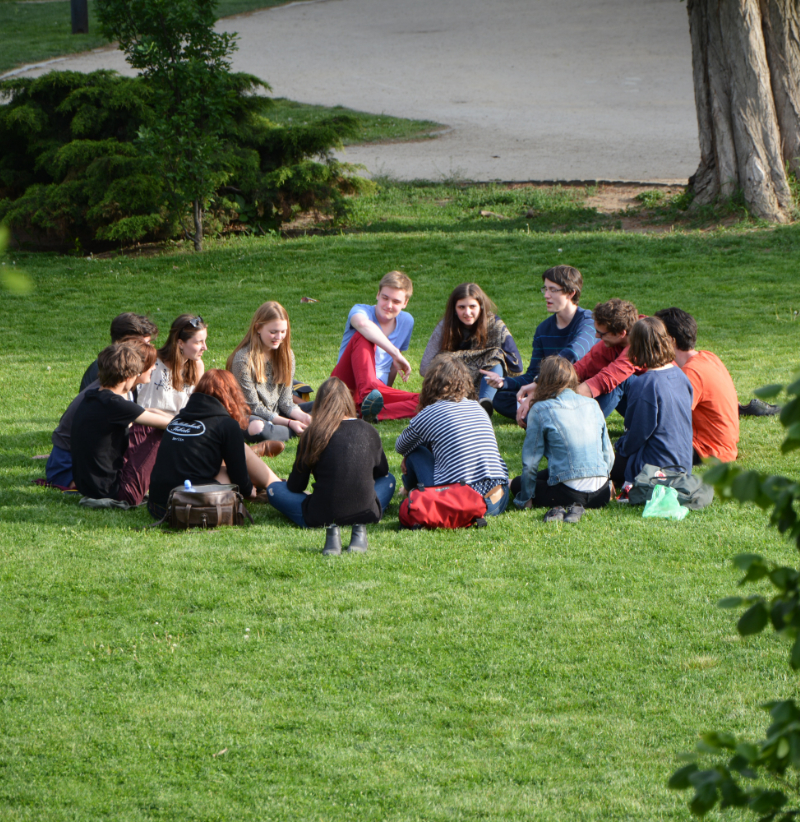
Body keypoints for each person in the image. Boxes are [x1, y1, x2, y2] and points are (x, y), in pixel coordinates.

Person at [263, 377, 396, 555]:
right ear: (348, 401)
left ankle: (324, 504)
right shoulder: (369, 430)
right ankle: (361, 512)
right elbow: (382, 472)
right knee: (389, 480)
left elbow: (295, 486)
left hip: (320, 514)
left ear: (319, 404)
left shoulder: (313, 433)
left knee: (274, 489)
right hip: (366, 512)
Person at [147, 369, 273, 519]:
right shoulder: (226, 424)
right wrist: (248, 490)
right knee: (231, 465)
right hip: (188, 506)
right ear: (232, 396)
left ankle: (267, 481)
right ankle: (275, 487)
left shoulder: (177, 419)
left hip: (157, 506)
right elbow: (238, 474)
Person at [395, 355, 510, 516]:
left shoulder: (431, 412)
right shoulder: (478, 408)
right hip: (497, 499)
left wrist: (412, 450)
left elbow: (401, 446)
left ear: (430, 385)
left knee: (415, 451)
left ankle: (409, 490)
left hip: (457, 500)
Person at [482, 265, 595, 421]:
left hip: (579, 390)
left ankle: (541, 414)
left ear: (571, 293)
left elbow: (573, 353)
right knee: (501, 397)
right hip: (547, 389)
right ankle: (546, 414)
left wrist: (539, 382)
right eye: (545, 289)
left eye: (553, 290)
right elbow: (532, 374)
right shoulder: (543, 329)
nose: (546, 295)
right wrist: (503, 382)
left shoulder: (588, 321)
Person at [47, 338, 162, 489]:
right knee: (154, 433)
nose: (154, 368)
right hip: (70, 466)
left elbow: (138, 414)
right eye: (151, 364)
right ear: (132, 372)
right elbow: (161, 423)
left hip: (85, 469)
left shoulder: (101, 393)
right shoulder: (112, 400)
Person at [510, 356, 614, 522]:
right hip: (601, 493)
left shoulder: (540, 409)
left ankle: (509, 484)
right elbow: (608, 454)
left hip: (569, 493)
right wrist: (606, 482)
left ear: (544, 381)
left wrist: (525, 498)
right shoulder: (593, 404)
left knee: (517, 483)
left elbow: (530, 463)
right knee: (542, 476)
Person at [70, 342, 174, 505]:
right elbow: (171, 425)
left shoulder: (92, 397)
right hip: (117, 492)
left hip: (89, 486)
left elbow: (143, 414)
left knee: (145, 425)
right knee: (162, 432)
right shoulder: (116, 405)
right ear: (128, 377)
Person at [611, 317, 694, 485]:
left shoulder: (645, 383)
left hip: (656, 467)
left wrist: (619, 447)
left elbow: (637, 433)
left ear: (636, 347)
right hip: (683, 463)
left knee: (606, 464)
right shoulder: (681, 375)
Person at [419, 282, 522, 416]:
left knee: (495, 355)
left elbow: (516, 365)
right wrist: (459, 368)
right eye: (461, 307)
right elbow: (425, 367)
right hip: (454, 380)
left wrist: (500, 378)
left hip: (488, 380)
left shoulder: (495, 325)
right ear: (454, 308)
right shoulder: (446, 326)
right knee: (443, 360)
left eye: (472, 306)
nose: (467, 313)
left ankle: (484, 403)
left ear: (481, 306)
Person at [331, 270, 418, 422]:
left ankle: (369, 412)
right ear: (378, 295)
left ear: (405, 303)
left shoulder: (407, 321)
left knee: (425, 400)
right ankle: (367, 397)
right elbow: (362, 324)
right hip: (344, 386)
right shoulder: (361, 310)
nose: (389, 305)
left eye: (396, 301)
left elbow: (393, 366)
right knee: (364, 335)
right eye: (385, 298)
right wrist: (395, 352)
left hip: (377, 389)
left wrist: (387, 390)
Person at [655, 307, 739, 463]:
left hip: (707, 450)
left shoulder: (691, 372)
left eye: (657, 337)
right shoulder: (708, 357)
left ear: (671, 341)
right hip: (723, 447)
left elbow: (668, 420)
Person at [227, 301, 312, 443]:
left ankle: (302, 426)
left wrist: (304, 417)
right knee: (259, 429)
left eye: (283, 332)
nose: (279, 337)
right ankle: (300, 429)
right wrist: (290, 423)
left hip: (278, 411)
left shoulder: (287, 355)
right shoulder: (242, 359)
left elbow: (285, 401)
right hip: (251, 415)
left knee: (324, 406)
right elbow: (253, 407)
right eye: (273, 332)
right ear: (258, 328)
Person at [563, 298, 645, 422]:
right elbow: (582, 368)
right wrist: (546, 386)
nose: (597, 336)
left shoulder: (643, 339)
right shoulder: (612, 343)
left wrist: (565, 399)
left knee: (619, 380)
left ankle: (583, 425)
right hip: (641, 402)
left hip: (660, 410)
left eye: (601, 334)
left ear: (621, 333)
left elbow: (607, 379)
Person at [79, 312, 159, 392]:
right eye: (146, 343)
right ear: (128, 342)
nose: (149, 348)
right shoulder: (110, 371)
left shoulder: (123, 366)